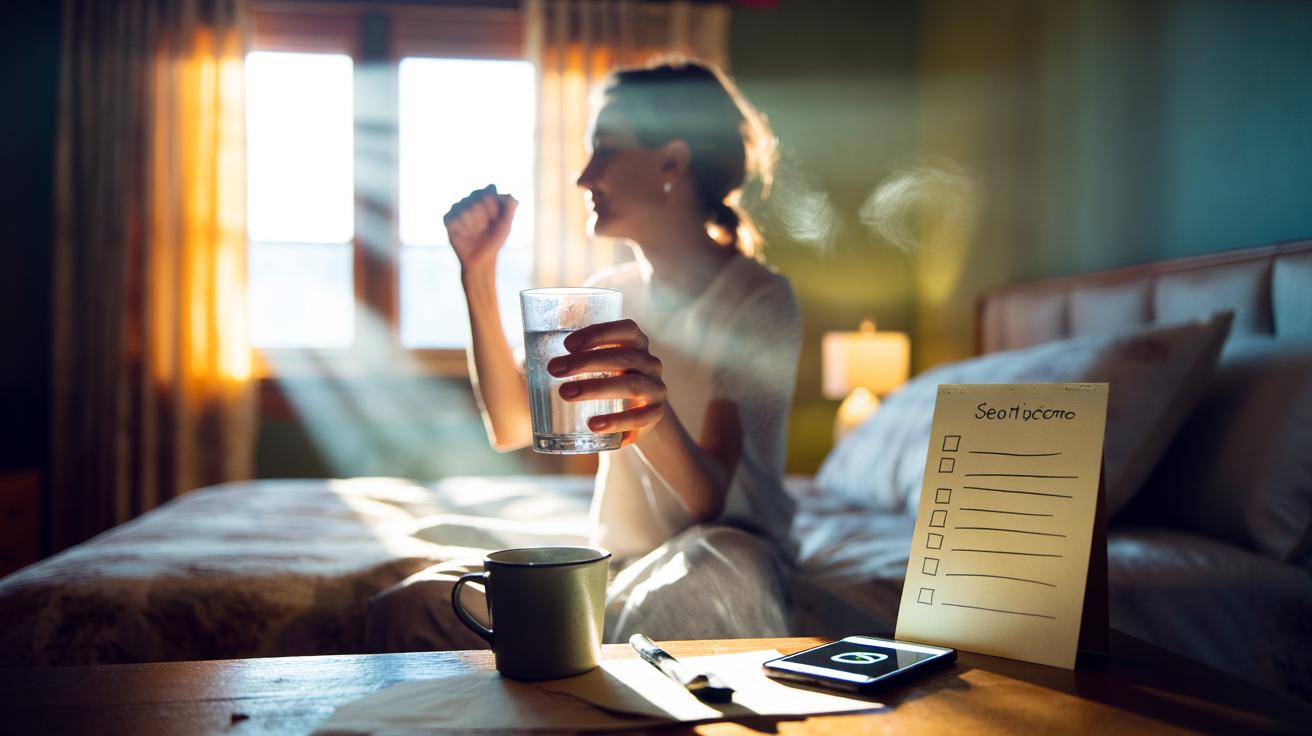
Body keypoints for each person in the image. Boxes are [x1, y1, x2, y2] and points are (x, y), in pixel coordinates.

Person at [367, 59, 801, 652]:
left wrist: (650, 413)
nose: (584, 177)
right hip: (617, 562)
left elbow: (711, 502)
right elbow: (513, 424)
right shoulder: (607, 289)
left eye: (606, 150)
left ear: (672, 162)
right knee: (410, 609)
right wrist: (477, 272)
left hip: (719, 553)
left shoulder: (759, 300)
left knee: (710, 585)